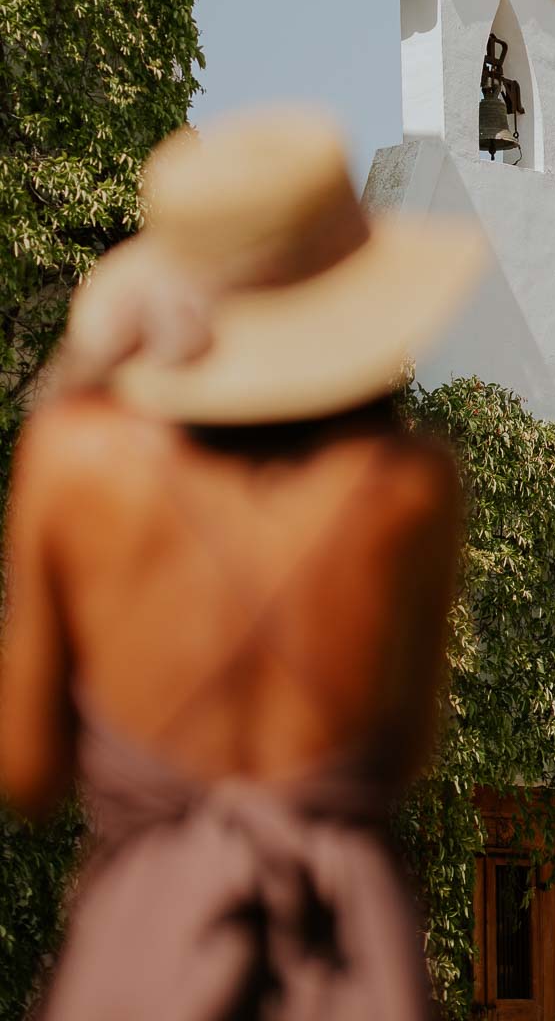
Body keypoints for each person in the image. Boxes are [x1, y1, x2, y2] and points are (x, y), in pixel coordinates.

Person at [0, 108, 485, 1020]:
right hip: (347, 959)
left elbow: (28, 772)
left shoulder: (73, 461)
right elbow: (405, 747)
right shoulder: (410, 490)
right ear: (346, 291)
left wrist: (77, 379)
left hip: (139, 960)